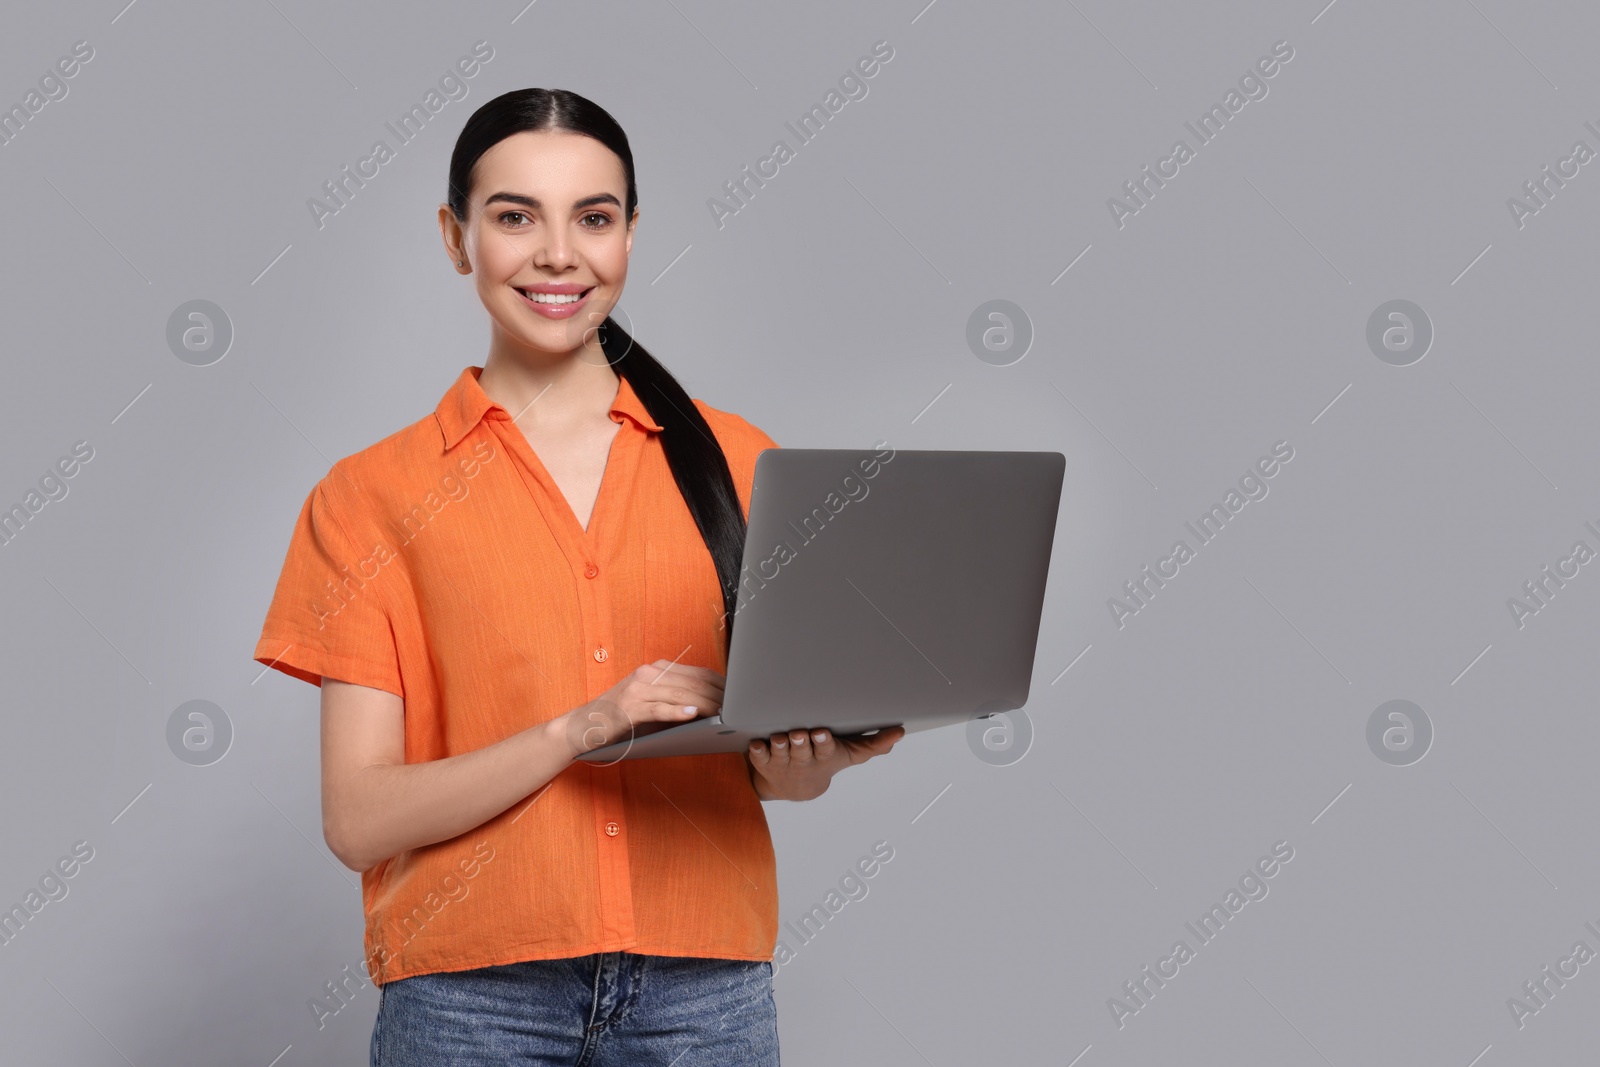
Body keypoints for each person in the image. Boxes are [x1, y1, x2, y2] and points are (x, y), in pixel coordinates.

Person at [252, 87, 904, 1066]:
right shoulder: (368, 498)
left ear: (630, 235)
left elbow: (770, 771)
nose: (559, 252)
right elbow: (359, 818)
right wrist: (580, 728)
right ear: (454, 236)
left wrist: (800, 765)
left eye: (593, 217)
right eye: (515, 215)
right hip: (467, 998)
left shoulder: (739, 462)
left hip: (705, 990)